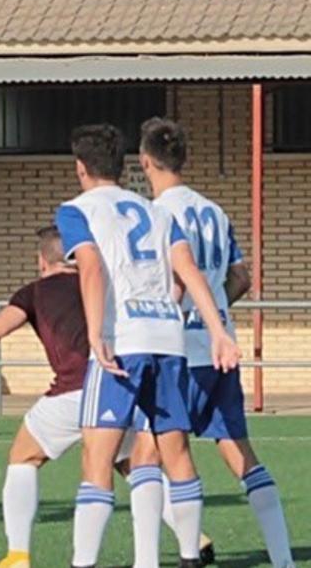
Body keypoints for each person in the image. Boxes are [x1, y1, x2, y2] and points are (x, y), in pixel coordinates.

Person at [56, 124, 239, 568]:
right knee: (174, 451)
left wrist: (97, 332)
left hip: (124, 342)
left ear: (81, 168)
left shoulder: (76, 210)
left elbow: (92, 269)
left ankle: (83, 563)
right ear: (123, 166)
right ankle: (190, 556)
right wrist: (218, 331)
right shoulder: (157, 212)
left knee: (97, 457)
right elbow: (189, 271)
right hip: (169, 340)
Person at [136, 117, 293, 568]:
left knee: (149, 454)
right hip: (219, 349)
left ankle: (157, 559)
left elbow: (171, 283)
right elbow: (241, 276)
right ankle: (283, 558)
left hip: (176, 350)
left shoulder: (157, 214)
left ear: (145, 161)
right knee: (242, 455)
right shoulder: (214, 212)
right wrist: (218, 310)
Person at [0, 227, 152, 567]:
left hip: (72, 391)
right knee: (133, 466)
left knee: (23, 457)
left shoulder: (35, 293)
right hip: (117, 389)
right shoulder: (104, 284)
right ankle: (196, 539)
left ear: (41, 260)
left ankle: (18, 555)